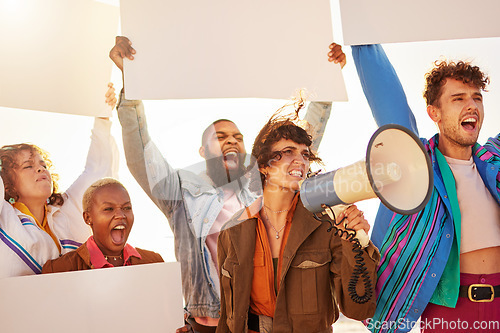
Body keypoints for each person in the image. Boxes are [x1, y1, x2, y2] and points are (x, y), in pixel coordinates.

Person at [109, 37, 345, 332]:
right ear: (202, 151)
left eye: (237, 136)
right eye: (220, 137)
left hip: (259, 320)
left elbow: (300, 143)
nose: (231, 140)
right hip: (209, 320)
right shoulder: (180, 193)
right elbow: (141, 153)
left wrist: (326, 82)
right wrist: (131, 80)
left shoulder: (263, 185)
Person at [341, 43, 500, 332]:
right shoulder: (418, 167)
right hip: (451, 313)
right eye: (458, 98)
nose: (472, 105)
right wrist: (362, 42)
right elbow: (388, 99)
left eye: (477, 98)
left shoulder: (495, 161)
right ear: (434, 112)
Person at [216, 97, 380, 333]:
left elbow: (358, 310)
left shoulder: (327, 225)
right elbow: (227, 317)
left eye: (305, 154)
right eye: (287, 152)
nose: (300, 160)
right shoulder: (232, 230)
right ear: (263, 166)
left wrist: (356, 242)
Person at [0, 84, 119, 278]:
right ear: (7, 184)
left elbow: (97, 171)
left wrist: (102, 115)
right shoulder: (5, 219)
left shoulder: (65, 213)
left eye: (43, 164)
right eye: (28, 166)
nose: (40, 168)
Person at [42, 178, 163, 272]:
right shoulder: (60, 269)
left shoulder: (154, 262)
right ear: (88, 218)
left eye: (126, 208)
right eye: (109, 209)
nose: (121, 215)